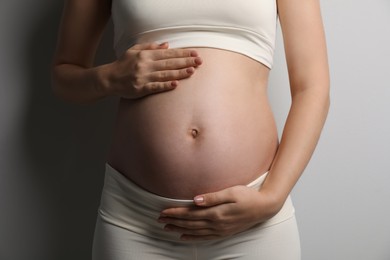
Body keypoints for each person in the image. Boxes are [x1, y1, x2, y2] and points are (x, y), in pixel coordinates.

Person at [52, 0, 330, 259]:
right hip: (135, 220)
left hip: (252, 221)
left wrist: (271, 198)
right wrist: (110, 77)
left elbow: (312, 88)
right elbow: (64, 74)